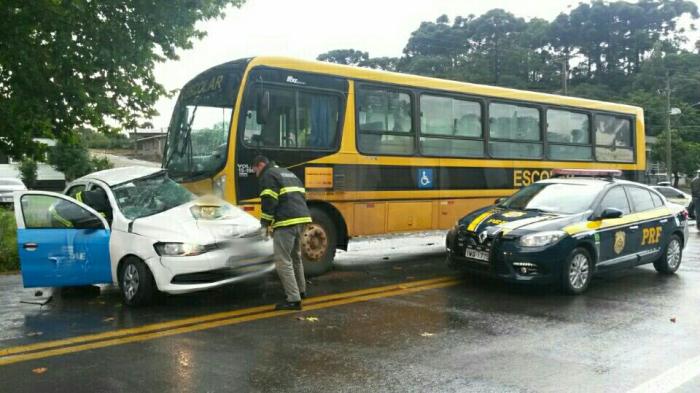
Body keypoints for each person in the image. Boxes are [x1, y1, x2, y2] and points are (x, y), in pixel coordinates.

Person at [253, 155, 312, 310]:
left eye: (255, 170)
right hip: (302, 219)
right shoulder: (287, 173)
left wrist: (265, 224)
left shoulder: (268, 175)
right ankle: (301, 290)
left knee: (282, 261)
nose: (256, 174)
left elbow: (269, 200)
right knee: (295, 257)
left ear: (260, 165)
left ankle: (293, 299)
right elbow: (302, 196)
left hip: (286, 222)